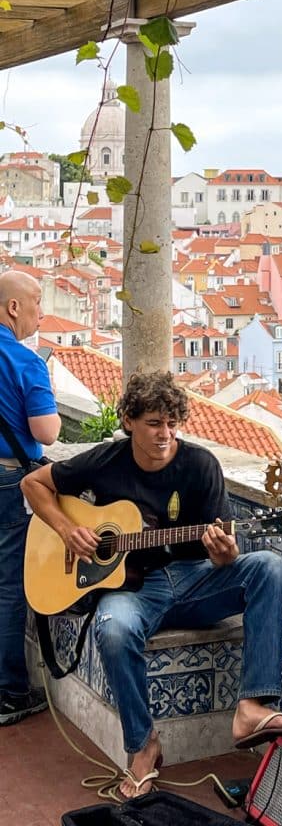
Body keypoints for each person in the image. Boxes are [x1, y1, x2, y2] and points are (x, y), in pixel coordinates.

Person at [21, 370, 282, 799]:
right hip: (133, 590)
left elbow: (225, 553)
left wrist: (224, 553)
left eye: (172, 424)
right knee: (112, 629)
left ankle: (252, 707)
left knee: (269, 564)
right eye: (154, 423)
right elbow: (33, 483)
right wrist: (65, 529)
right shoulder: (106, 461)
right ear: (129, 420)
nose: (165, 434)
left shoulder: (200, 465)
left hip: (194, 581)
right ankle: (142, 745)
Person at [0, 269, 60, 728]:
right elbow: (47, 432)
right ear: (13, 307)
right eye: (37, 300)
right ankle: (11, 691)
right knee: (7, 588)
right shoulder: (25, 361)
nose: (43, 310)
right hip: (9, 483)